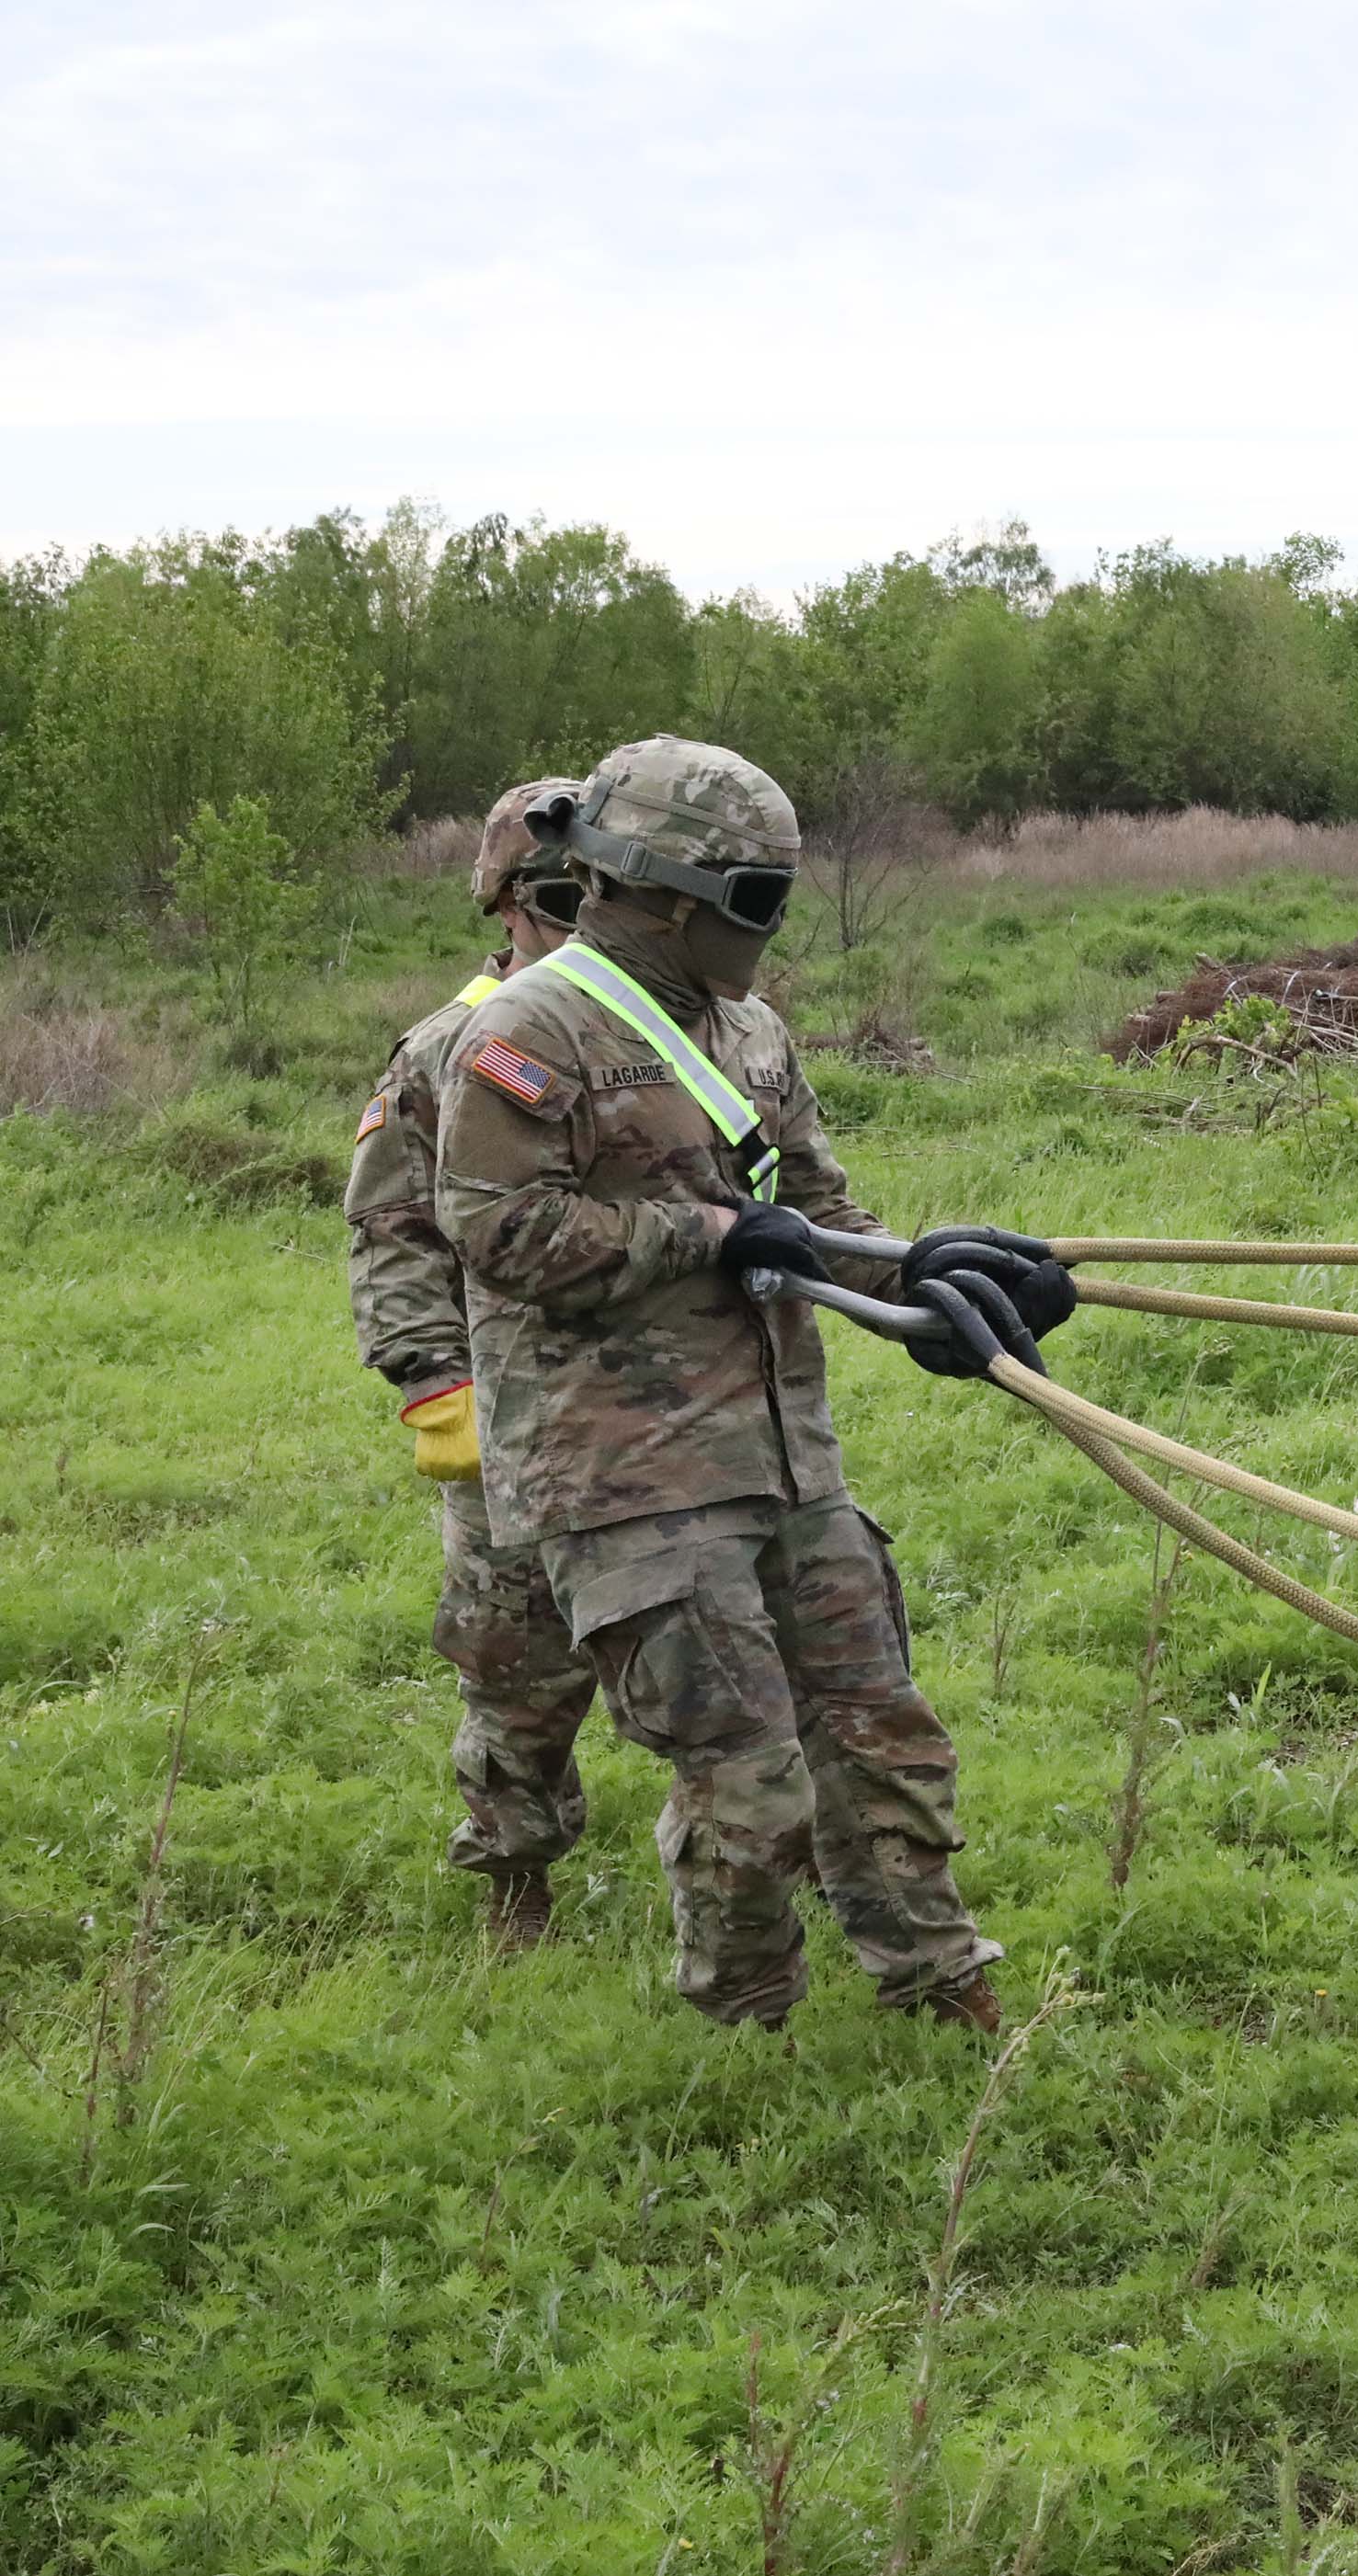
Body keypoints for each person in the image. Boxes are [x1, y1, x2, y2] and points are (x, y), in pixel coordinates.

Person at [435, 735, 1071, 2035]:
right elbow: (499, 1233)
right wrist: (705, 1235)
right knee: (747, 1775)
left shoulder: (750, 1030)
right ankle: (746, 2030)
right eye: (756, 900)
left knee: (879, 1728)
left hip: (782, 1449)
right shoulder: (526, 1032)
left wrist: (937, 1291)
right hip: (626, 1469)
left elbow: (815, 1204)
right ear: (668, 893)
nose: (770, 931)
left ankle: (939, 1979)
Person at [346, 779, 607, 1948]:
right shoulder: (448, 1048)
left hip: (665, 1395)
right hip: (507, 1408)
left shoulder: (673, 1029)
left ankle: (770, 1864)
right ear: (505, 904)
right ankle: (517, 1883)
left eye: (605, 893)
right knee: (514, 1660)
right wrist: (433, 1387)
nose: (580, 917)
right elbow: (391, 1228)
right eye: (557, 896)